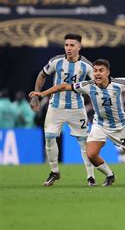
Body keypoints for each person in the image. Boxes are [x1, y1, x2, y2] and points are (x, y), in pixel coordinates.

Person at [30, 59, 125, 186]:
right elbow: (63, 86)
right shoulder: (88, 85)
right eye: (95, 71)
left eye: (101, 70)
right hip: (99, 124)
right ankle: (110, 175)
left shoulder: (119, 83)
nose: (97, 74)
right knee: (91, 154)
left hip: (119, 126)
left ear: (108, 72)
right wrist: (42, 93)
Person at [29, 33, 96, 186]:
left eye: (72, 45)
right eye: (66, 45)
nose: (69, 48)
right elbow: (42, 75)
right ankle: (54, 171)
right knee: (49, 137)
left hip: (77, 108)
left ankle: (90, 177)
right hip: (56, 107)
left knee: (84, 143)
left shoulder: (86, 66)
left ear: (79, 47)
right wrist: (35, 96)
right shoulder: (56, 61)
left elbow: (96, 84)